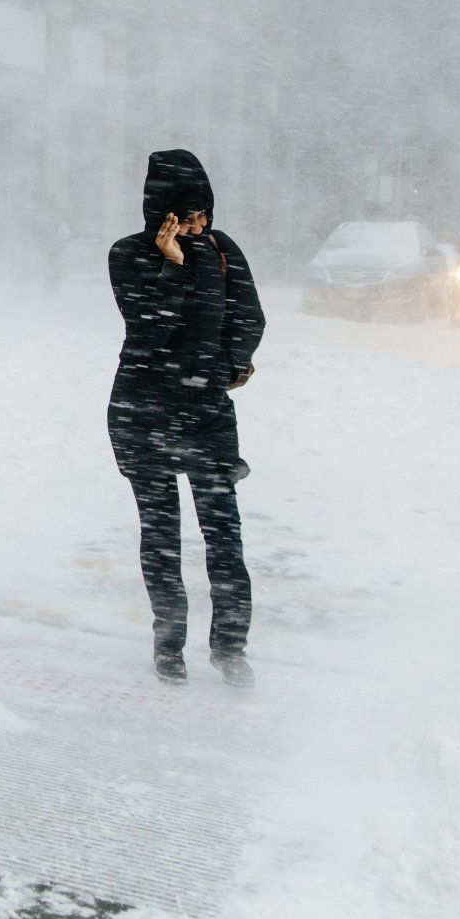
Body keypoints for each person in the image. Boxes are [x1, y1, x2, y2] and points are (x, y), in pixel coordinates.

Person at [107, 150, 265, 686]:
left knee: (225, 537)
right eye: (187, 217)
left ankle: (231, 648)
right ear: (160, 215)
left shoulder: (223, 251)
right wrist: (170, 265)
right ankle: (169, 644)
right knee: (162, 536)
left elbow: (250, 317)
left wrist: (221, 369)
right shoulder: (128, 253)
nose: (198, 226)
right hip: (142, 411)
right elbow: (147, 326)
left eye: (204, 216)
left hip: (206, 414)